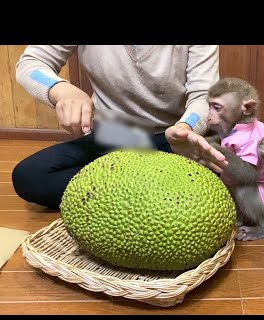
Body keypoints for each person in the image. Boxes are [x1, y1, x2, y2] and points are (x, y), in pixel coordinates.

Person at [12, 45, 227, 210]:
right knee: (30, 176)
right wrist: (61, 90)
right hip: (115, 133)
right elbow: (32, 63)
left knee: (225, 172)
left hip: (173, 138)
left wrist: (185, 128)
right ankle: (155, 195)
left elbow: (203, 96)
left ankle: (126, 193)